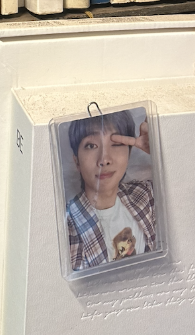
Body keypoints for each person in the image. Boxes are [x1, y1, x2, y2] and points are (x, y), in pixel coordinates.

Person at [65, 109, 157, 273]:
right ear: (76, 161)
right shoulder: (66, 227)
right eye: (91, 146)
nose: (104, 159)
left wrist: (159, 151)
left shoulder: (144, 194)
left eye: (116, 144)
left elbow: (186, 190)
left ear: (129, 153)